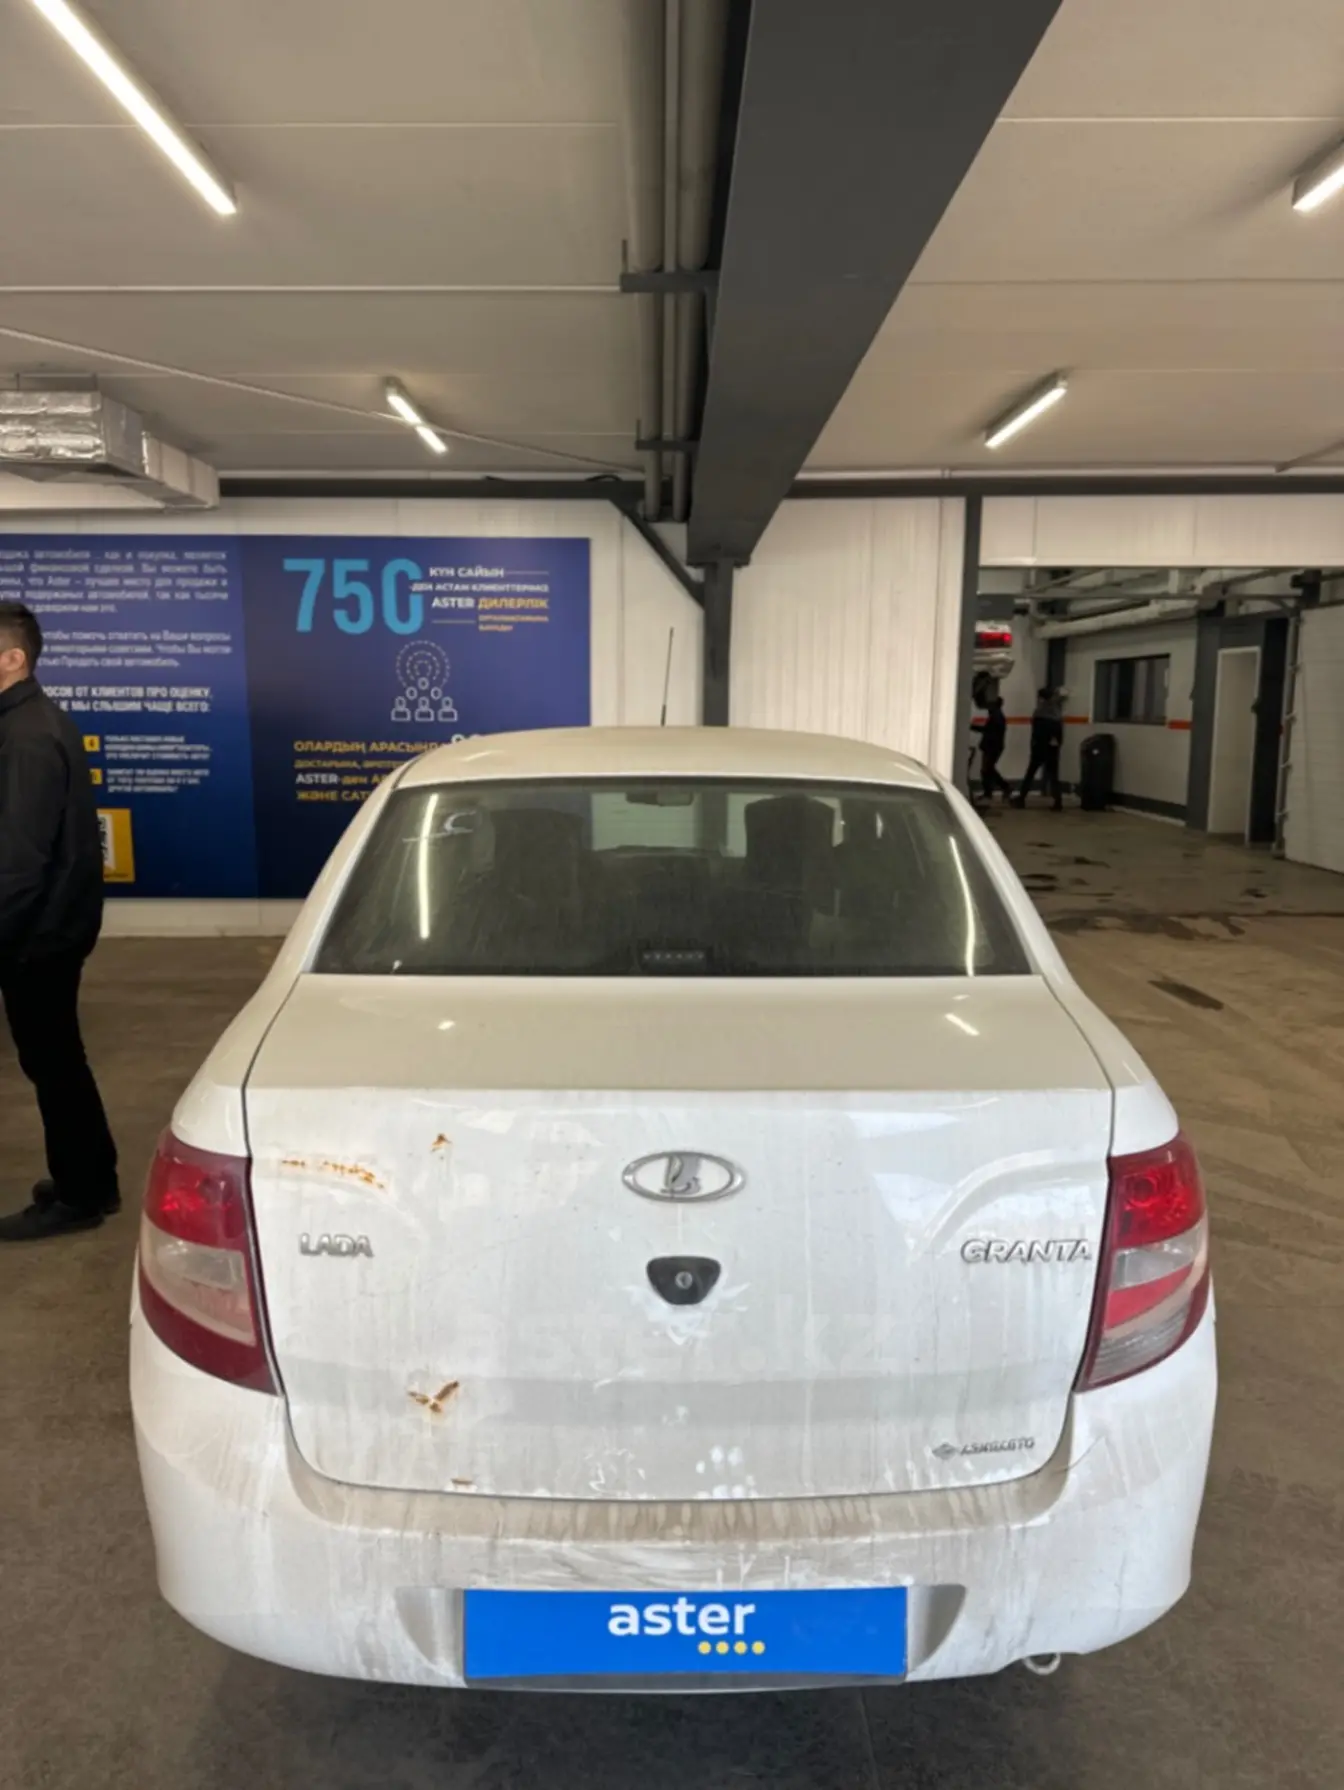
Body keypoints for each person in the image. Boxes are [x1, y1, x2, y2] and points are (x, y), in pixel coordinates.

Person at [0, 603, 118, 1241]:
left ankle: (78, 1197)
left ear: (13, 659)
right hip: (49, 927)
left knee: (53, 1063)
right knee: (59, 1059)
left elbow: (17, 862)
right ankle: (94, 1179)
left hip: (37, 935)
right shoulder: (28, 722)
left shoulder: (26, 737)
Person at [1014, 686, 1065, 812]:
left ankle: (1021, 798)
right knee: (1053, 776)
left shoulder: (1039, 713)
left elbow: (1036, 733)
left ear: (1041, 698)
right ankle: (1058, 801)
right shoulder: (1057, 713)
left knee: (1030, 773)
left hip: (1039, 748)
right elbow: (1059, 735)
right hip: (1052, 749)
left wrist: (1034, 746)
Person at [975, 694, 1010, 803]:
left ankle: (999, 789)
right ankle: (993, 791)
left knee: (987, 769)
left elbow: (989, 731)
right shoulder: (997, 715)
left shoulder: (996, 716)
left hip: (992, 747)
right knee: (988, 769)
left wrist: (972, 727)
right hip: (993, 747)